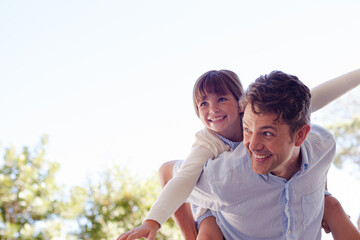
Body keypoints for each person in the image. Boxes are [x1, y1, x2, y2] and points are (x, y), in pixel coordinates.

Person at [117, 69, 360, 240]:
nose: (213, 109)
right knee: (209, 232)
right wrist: (153, 221)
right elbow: (179, 179)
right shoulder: (208, 145)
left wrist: (318, 193)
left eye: (221, 99)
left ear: (240, 102)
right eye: (203, 104)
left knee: (331, 204)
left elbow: (311, 100)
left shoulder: (260, 114)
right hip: (213, 204)